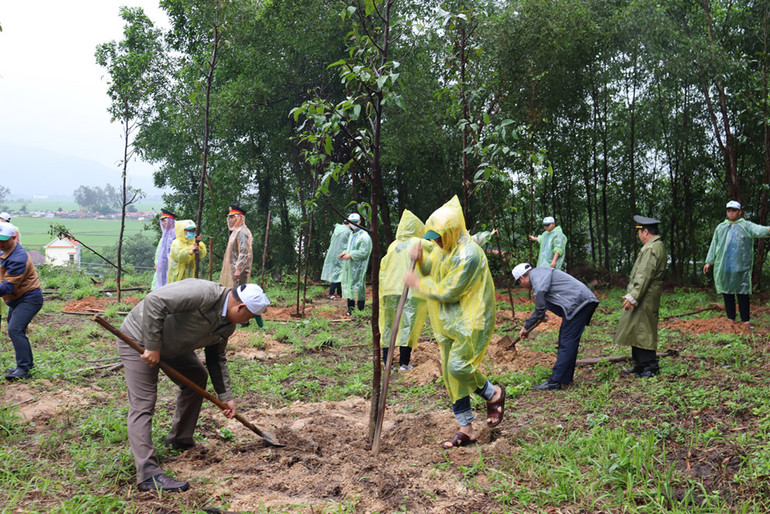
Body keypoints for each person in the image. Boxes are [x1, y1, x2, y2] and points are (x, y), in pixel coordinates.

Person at [118, 279, 270, 492]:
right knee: (143, 404)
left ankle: (180, 439)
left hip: (172, 345)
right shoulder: (203, 294)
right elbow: (154, 302)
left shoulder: (227, 325)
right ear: (241, 307)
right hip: (140, 338)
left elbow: (216, 357)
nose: (249, 321)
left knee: (197, 376)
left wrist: (225, 395)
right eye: (250, 316)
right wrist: (152, 346)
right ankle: (148, 475)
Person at [404, 196, 504, 449]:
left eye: (439, 236)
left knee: (459, 368)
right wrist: (418, 251)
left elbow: (448, 290)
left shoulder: (468, 255)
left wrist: (418, 284)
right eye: (432, 237)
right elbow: (430, 266)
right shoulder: (443, 248)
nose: (435, 242)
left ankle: (493, 393)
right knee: (452, 377)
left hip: (472, 319)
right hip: (448, 321)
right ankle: (466, 428)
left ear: (451, 231)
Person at [513, 263, 598, 390]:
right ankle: (565, 379)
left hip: (578, 303)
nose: (522, 287)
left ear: (521, 278)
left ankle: (556, 382)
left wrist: (526, 327)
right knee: (567, 341)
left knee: (566, 342)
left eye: (519, 284)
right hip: (579, 303)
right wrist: (539, 317)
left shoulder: (537, 277)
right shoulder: (541, 274)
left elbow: (540, 300)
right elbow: (546, 302)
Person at [614, 215, 667, 378]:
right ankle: (639, 364)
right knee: (636, 328)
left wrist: (634, 295)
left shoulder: (652, 248)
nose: (639, 236)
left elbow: (644, 275)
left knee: (644, 329)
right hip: (646, 294)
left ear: (645, 232)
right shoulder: (656, 246)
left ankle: (650, 366)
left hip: (646, 295)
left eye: (639, 232)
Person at [703, 200, 770, 327]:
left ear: (739, 212)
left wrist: (768, 230)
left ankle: (745, 320)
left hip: (740, 267)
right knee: (727, 292)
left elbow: (759, 230)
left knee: (742, 292)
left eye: (734, 211)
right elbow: (714, 244)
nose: (731, 213)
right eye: (729, 211)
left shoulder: (746, 226)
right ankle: (731, 318)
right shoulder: (721, 227)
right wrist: (709, 262)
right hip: (725, 266)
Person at [379, 210, 428, 371]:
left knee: (389, 326)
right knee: (408, 325)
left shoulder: (393, 245)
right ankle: (404, 363)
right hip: (410, 291)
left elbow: (384, 266)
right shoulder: (420, 242)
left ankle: (387, 362)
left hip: (389, 290)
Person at [0, 222, 43, 380]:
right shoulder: (4, 250)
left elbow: (7, 287)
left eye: (3, 240)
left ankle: (24, 369)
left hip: (29, 299)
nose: (0, 243)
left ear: (13, 238)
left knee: (15, 329)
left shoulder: (18, 258)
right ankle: (25, 365)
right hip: (17, 300)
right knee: (16, 330)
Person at [339, 213, 372, 315]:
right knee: (350, 287)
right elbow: (350, 248)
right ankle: (351, 311)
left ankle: (361, 310)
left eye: (355, 222)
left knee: (359, 287)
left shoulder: (364, 236)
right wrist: (345, 252)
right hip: (350, 266)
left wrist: (351, 255)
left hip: (358, 267)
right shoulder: (352, 235)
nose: (353, 224)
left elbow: (364, 252)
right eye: (351, 222)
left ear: (360, 222)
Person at [220, 204, 253, 288]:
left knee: (239, 291)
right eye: (229, 217)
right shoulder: (236, 231)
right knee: (233, 290)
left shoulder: (242, 231)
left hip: (239, 270)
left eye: (232, 217)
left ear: (239, 218)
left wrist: (238, 269)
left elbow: (244, 252)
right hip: (233, 268)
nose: (230, 220)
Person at [321, 219, 351, 299]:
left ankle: (339, 293)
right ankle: (331, 293)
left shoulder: (337, 229)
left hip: (332, 254)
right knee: (338, 274)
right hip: (341, 254)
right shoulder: (348, 231)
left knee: (338, 273)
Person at [151, 209, 176, 290]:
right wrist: (157, 262)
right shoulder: (164, 235)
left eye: (164, 221)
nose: (163, 223)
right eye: (162, 221)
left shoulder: (174, 234)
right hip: (161, 265)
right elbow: (159, 251)